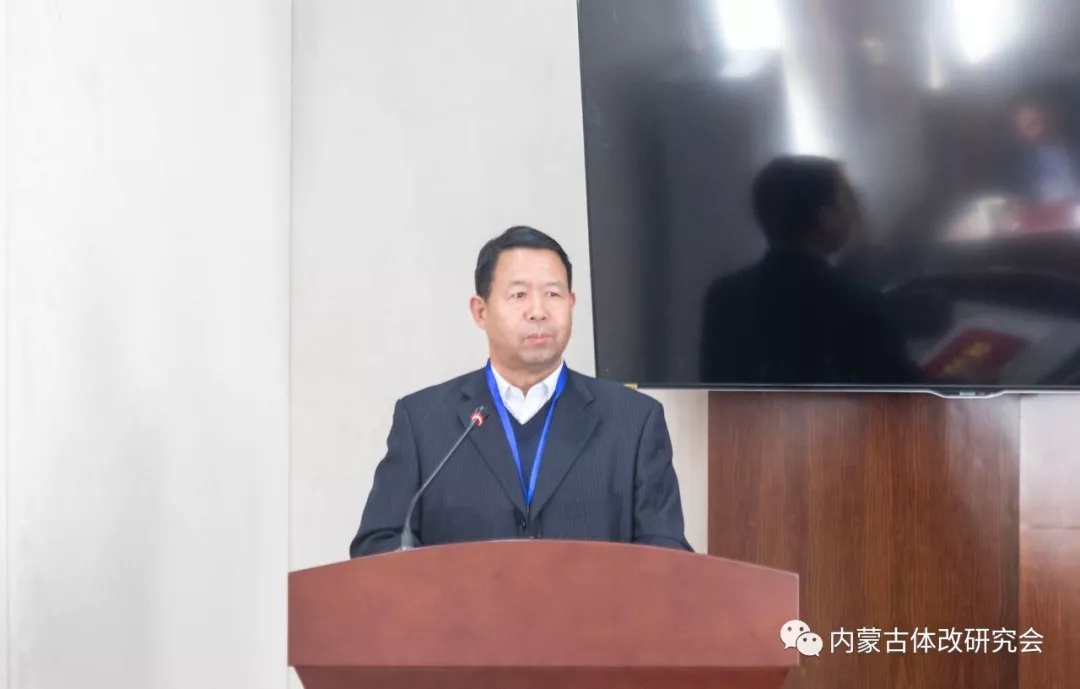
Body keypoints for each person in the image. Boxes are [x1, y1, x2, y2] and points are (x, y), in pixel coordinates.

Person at [349, 226, 692, 557]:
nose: (538, 311)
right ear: (480, 311)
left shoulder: (634, 420)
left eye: (553, 294)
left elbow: (667, 555)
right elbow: (378, 545)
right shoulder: (422, 420)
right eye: (519, 295)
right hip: (464, 601)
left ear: (571, 303)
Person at [699, 155, 922, 385]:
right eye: (851, 201)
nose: (857, 211)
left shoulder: (724, 296)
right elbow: (906, 395)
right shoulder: (860, 303)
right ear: (826, 219)